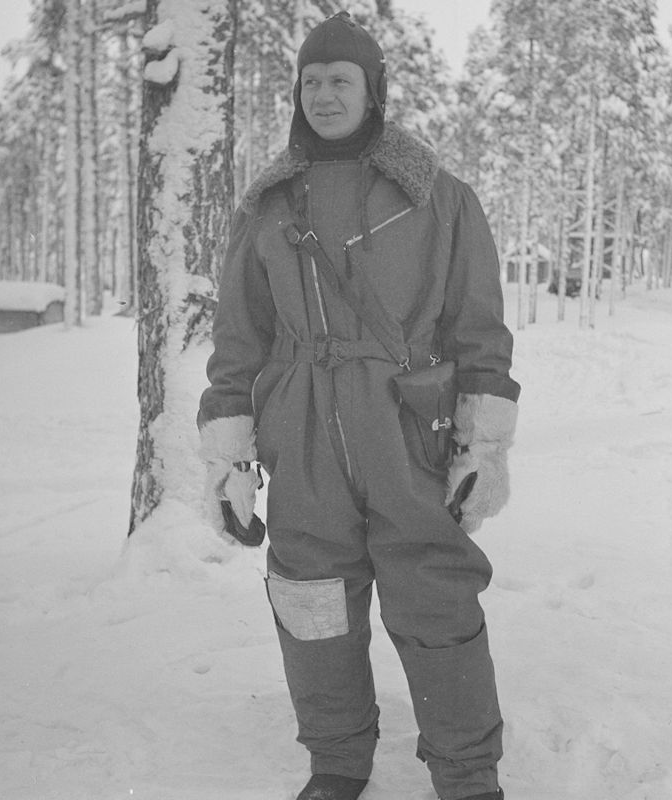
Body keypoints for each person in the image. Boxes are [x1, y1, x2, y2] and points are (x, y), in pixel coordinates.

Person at [198, 11, 520, 800]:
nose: (323, 94)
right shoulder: (267, 206)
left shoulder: (438, 196)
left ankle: (467, 772)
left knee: (436, 601)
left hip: (407, 430)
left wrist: (481, 449)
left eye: (340, 80)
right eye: (310, 81)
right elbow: (239, 337)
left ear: (374, 90)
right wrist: (228, 459)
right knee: (310, 601)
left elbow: (477, 330)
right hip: (301, 432)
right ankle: (337, 761)